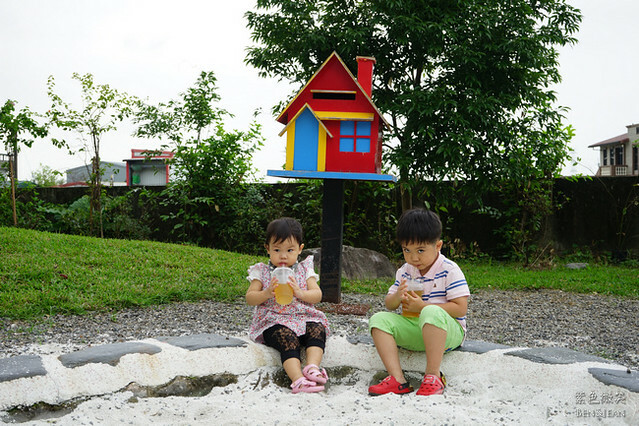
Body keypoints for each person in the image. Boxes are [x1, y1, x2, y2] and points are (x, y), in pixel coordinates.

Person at [368, 208, 470, 396]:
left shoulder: (449, 270)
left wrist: (423, 307)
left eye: (421, 250)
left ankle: (433, 376)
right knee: (378, 319)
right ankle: (397, 379)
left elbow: (461, 308)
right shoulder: (405, 271)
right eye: (407, 250)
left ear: (438, 246)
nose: (414, 258)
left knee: (431, 312)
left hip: (447, 332)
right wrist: (397, 296)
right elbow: (389, 304)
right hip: (416, 328)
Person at [246, 217, 330, 393]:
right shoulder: (261, 271)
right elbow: (250, 298)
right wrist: (266, 293)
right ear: (267, 248)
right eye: (277, 250)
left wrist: (300, 293)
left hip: (303, 317)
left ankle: (312, 367)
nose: (283, 256)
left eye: (290, 250)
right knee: (287, 339)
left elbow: (317, 295)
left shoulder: (305, 269)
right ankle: (297, 379)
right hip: (274, 320)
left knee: (317, 329)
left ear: (300, 249)